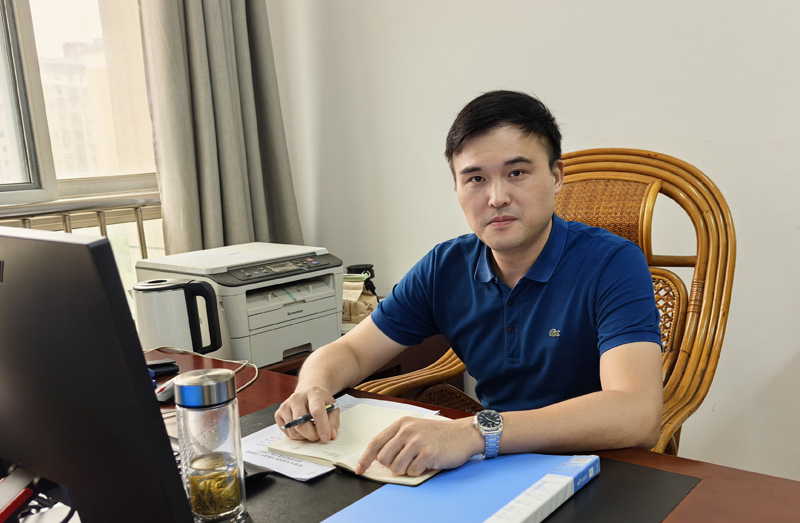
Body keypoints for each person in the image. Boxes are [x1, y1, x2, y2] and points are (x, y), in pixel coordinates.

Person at [275, 90, 664, 478]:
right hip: (493, 466)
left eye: (517, 173)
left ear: (556, 176)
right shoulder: (445, 266)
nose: (496, 198)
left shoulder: (613, 262)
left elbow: (637, 414)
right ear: (458, 190)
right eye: (476, 178)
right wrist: (312, 388)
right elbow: (352, 352)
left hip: (598, 468)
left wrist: (477, 432)